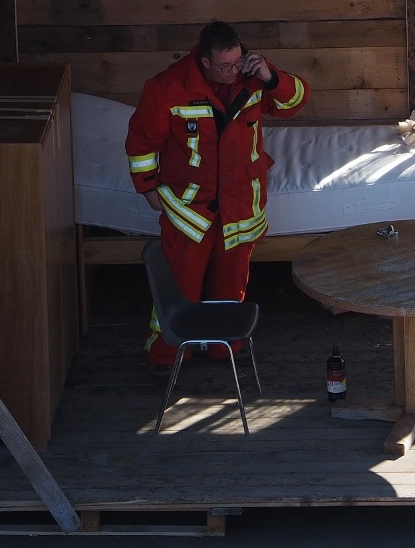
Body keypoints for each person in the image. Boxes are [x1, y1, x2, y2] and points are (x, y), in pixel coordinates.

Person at [125, 21, 309, 368]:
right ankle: (167, 355)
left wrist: (271, 77)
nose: (233, 71)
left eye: (237, 62)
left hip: (240, 205)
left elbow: (296, 101)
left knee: (231, 283)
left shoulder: (255, 78)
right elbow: (141, 142)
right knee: (181, 285)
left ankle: (223, 346)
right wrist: (147, 186)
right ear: (204, 62)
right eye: (225, 66)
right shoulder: (167, 88)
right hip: (189, 210)